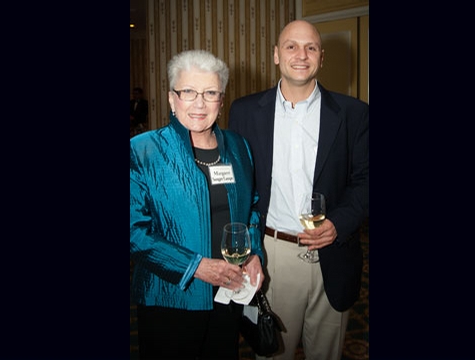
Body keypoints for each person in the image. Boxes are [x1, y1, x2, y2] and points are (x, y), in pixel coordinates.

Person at [228, 20, 369, 360]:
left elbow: (366, 180)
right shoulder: (244, 112)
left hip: (334, 254)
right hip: (273, 256)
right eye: (291, 46)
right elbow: (238, 186)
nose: (301, 55)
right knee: (272, 353)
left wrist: (339, 222)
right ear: (276, 55)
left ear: (322, 57)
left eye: (311, 47)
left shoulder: (355, 114)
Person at [130, 49, 265, 359]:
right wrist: (196, 267)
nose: (200, 103)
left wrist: (253, 252)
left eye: (210, 93)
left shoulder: (238, 147)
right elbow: (134, 232)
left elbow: (252, 210)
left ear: (221, 98)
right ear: (171, 98)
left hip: (227, 294)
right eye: (188, 91)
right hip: (170, 298)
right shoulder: (143, 150)